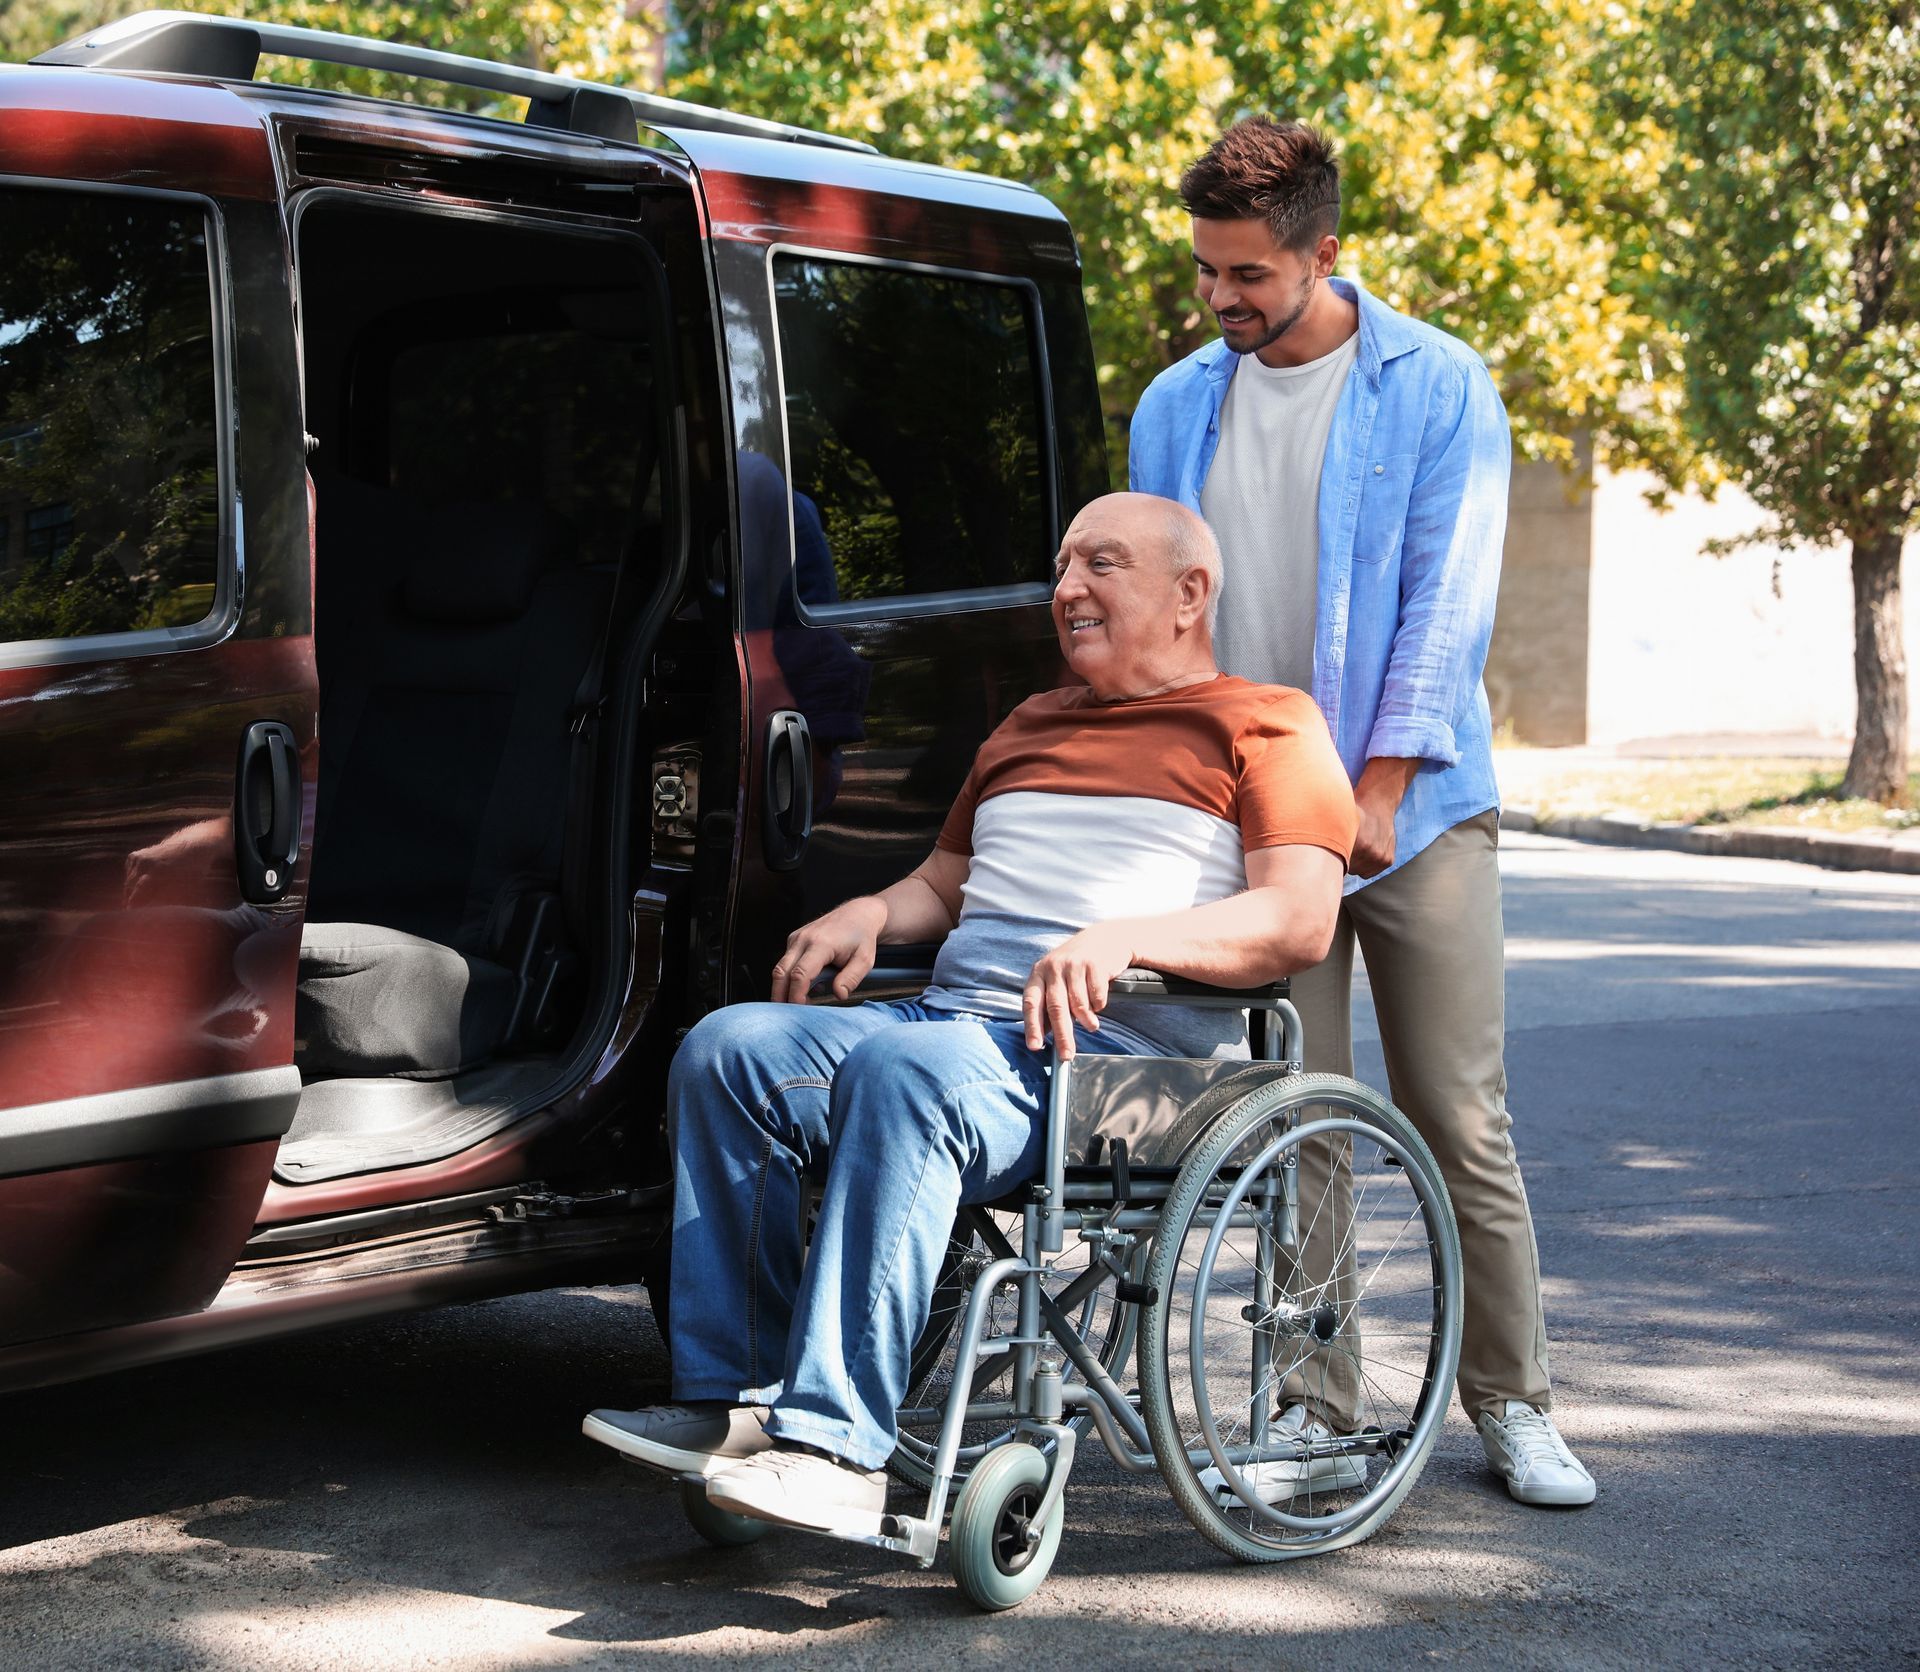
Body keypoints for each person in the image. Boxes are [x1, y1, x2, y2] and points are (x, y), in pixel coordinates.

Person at [582, 491, 1358, 1530]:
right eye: (1064, 566)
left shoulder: (1268, 724)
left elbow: (1297, 922)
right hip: (960, 1031)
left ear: (1190, 593)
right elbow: (944, 886)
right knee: (730, 1049)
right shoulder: (1028, 723)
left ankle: (837, 1449)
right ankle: (741, 1404)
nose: (1067, 588)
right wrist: (870, 910)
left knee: (910, 1076)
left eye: (1101, 565)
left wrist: (1128, 935)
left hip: (1121, 1064)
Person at [1129, 117, 1596, 1507]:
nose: (1222, 301)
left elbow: (1449, 613)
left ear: (1325, 253)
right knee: (1298, 1116)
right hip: (1260, 821)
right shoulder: (1175, 405)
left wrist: (1377, 793)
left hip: (1419, 810)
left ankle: (1515, 1405)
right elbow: (1163, 622)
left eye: (1249, 277)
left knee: (1461, 1113)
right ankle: (1315, 1409)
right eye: (1207, 272)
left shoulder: (1438, 386)